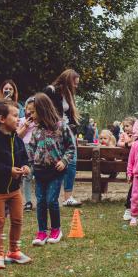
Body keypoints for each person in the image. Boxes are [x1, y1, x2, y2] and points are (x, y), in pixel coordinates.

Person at [0, 100, 32, 270]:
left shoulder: (17, 140)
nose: (19, 119)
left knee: (17, 220)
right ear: (2, 119)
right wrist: (8, 170)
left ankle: (14, 251)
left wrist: (25, 166)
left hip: (15, 190)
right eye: (15, 116)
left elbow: (24, 158)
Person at [27, 93, 76, 246]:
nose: (30, 115)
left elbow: (71, 147)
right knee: (41, 201)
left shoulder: (61, 126)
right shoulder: (35, 130)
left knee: (51, 201)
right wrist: (30, 167)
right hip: (39, 171)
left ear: (42, 109)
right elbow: (31, 149)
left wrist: (64, 161)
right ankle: (42, 232)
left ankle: (56, 230)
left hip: (56, 171)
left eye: (33, 112)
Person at [44, 69, 81, 207]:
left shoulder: (69, 95)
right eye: (75, 83)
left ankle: (67, 197)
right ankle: (50, 195)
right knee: (55, 162)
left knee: (72, 162)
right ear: (68, 81)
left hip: (68, 132)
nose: (76, 86)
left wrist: (74, 133)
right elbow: (44, 110)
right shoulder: (51, 91)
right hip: (55, 133)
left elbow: (71, 117)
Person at [16, 97, 37, 212]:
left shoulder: (41, 122)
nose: (31, 112)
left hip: (38, 149)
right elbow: (18, 137)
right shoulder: (21, 121)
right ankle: (28, 201)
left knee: (39, 175)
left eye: (34, 109)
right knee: (27, 176)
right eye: (29, 109)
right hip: (26, 149)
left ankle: (41, 200)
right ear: (25, 109)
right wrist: (26, 126)